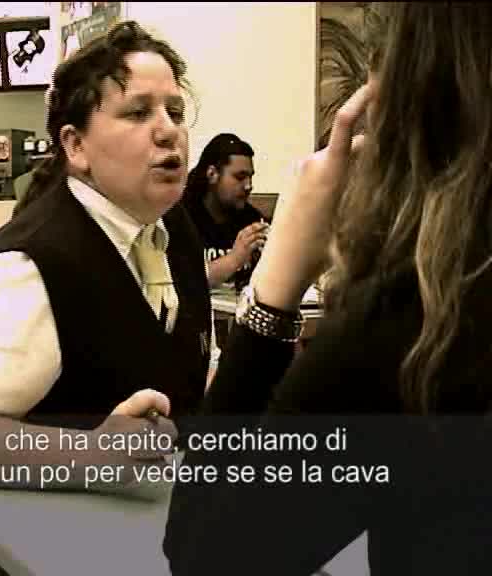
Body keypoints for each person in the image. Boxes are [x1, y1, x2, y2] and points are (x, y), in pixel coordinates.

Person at [164, 3, 492, 575]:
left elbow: (208, 554)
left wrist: (276, 281)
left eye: (172, 111)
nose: (165, 133)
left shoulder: (419, 320)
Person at [0, 21, 213, 489]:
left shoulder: (174, 229)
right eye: (138, 113)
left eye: (175, 111)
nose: (169, 131)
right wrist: (91, 456)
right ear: (76, 145)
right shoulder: (25, 267)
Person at [183, 133, 269, 289]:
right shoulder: (181, 218)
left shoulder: (252, 219)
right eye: (240, 177)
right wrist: (234, 258)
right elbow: (182, 282)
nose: (248, 186)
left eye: (250, 177)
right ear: (212, 174)